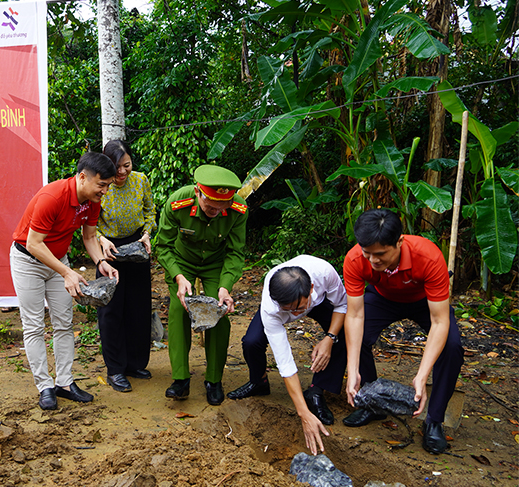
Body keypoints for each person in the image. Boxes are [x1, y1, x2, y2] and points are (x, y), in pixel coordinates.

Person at [342, 209, 464, 454]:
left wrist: (421, 376)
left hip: (423, 301)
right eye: (367, 253)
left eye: (380, 254)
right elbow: (354, 315)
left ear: (399, 241)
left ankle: (434, 420)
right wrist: (352, 368)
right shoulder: (356, 259)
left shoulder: (428, 256)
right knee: (360, 336)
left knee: (452, 347)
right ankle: (371, 401)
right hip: (384, 297)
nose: (373, 260)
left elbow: (439, 322)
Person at [10, 152, 120, 410]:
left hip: (58, 260)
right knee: (34, 325)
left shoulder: (92, 201)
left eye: (108, 186)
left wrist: (101, 262)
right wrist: (66, 273)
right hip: (28, 261)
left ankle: (65, 382)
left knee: (64, 322)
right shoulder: (53, 197)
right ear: (83, 177)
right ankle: (44, 386)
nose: (104, 191)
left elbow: (90, 236)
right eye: (101, 185)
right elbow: (34, 244)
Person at [226, 255, 348, 455]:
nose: (295, 315)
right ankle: (259, 382)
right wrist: (303, 414)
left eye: (298, 310)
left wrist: (329, 338)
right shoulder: (271, 306)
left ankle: (316, 390)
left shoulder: (324, 273)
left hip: (319, 302)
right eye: (288, 311)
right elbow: (285, 362)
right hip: (290, 301)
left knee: (341, 336)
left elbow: (342, 305)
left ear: (311, 288)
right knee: (252, 341)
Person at [156, 164, 247, 406]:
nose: (215, 212)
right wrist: (177, 276)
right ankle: (180, 379)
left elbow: (236, 253)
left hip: (215, 264)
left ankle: (214, 380)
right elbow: (162, 246)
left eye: (221, 208)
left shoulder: (238, 209)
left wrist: (225, 286)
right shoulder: (177, 203)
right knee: (179, 309)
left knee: (218, 313)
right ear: (198, 192)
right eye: (210, 207)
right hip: (182, 261)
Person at [96, 140, 157, 393]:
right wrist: (101, 238)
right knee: (111, 311)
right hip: (108, 250)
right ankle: (116, 370)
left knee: (138, 308)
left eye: (126, 165)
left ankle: (135, 363)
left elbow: (150, 211)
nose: (121, 173)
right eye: (116, 167)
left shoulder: (141, 180)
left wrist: (147, 233)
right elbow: (87, 223)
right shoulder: (100, 185)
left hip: (137, 248)